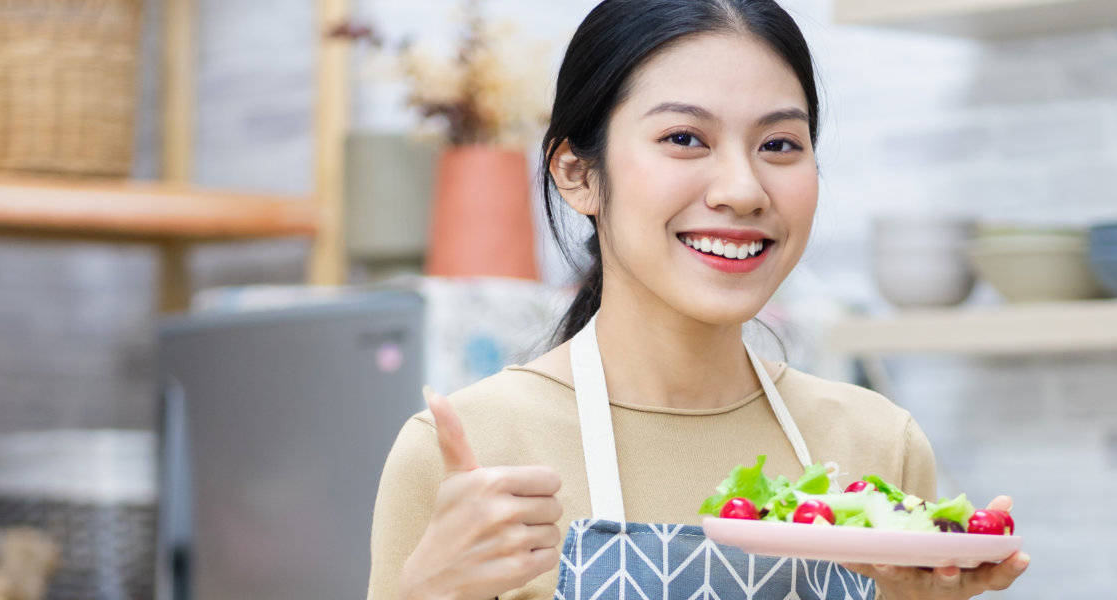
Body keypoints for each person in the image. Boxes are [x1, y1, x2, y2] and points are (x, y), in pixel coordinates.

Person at [366, 1, 1031, 598]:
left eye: (779, 144)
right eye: (684, 138)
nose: (743, 189)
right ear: (577, 174)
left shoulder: (877, 445)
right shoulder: (475, 453)